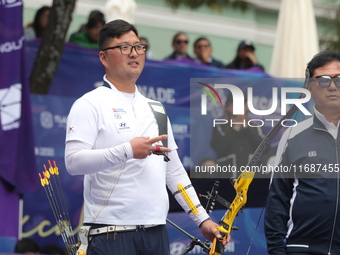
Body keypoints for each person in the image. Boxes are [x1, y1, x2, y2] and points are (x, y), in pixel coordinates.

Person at [64, 19, 229, 255]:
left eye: (138, 46)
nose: (134, 53)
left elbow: (173, 171)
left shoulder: (156, 109)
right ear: (104, 58)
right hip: (109, 233)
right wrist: (128, 150)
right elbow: (73, 162)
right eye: (124, 48)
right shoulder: (90, 103)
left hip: (156, 233)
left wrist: (202, 220)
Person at [264, 51, 340, 255]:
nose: (333, 86)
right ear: (309, 87)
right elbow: (277, 200)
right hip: (302, 249)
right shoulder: (292, 135)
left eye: (339, 79)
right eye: (323, 80)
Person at [210, 92, 264, 178]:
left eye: (242, 103)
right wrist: (236, 127)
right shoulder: (220, 126)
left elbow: (264, 148)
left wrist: (246, 127)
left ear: (246, 107)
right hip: (227, 177)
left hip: (251, 178)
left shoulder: (255, 127)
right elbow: (219, 147)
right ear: (228, 107)